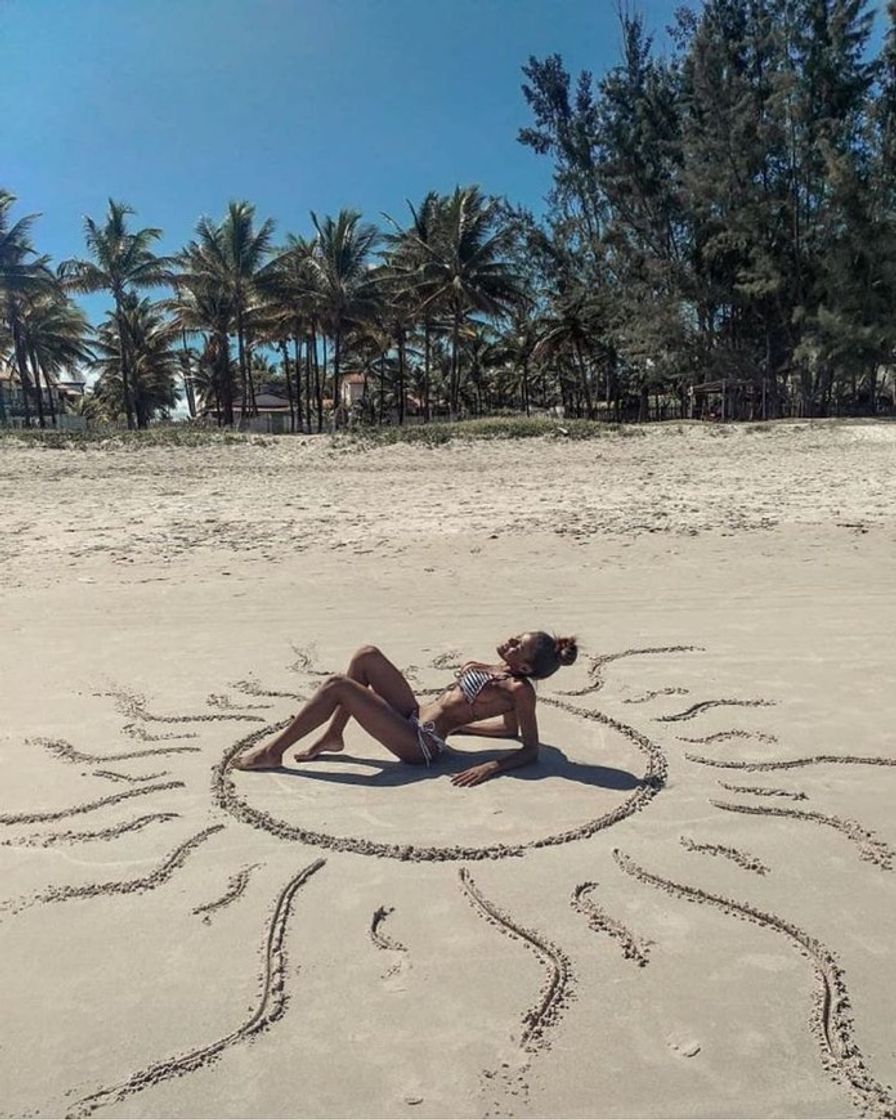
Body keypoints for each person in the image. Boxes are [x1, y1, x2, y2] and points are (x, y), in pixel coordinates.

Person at [232, 632, 578, 787]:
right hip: (413, 715)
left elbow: (528, 746)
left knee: (338, 685)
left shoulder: (520, 690)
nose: (512, 640)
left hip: (421, 744)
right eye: (518, 637)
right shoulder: (497, 668)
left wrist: (490, 766)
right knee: (365, 655)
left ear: (526, 668)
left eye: (519, 645)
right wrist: (463, 727)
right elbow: (505, 730)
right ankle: (334, 735)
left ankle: (272, 752)